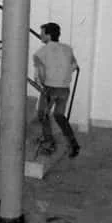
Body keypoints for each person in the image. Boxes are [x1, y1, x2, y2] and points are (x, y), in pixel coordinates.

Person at [33, 22, 80, 157]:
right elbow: (74, 65)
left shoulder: (41, 52)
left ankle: (49, 142)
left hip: (50, 89)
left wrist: (41, 83)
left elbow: (40, 74)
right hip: (64, 89)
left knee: (42, 114)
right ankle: (74, 144)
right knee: (59, 116)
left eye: (42, 33)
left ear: (48, 35)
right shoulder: (67, 48)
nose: (41, 36)